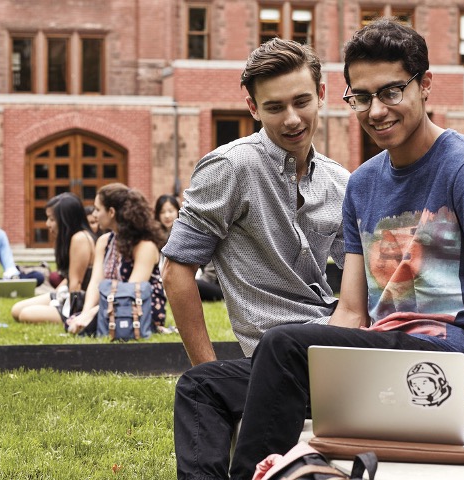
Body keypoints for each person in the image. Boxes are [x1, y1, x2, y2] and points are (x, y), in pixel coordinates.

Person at [223, 19, 464, 478]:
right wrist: (329, 376)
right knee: (202, 384)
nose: (376, 110)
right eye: (361, 97)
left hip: (445, 371)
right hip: (379, 365)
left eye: (391, 92)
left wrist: (454, 391)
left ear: (425, 86)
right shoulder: (363, 184)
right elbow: (349, 313)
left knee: (283, 343)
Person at [162, 38, 349, 479]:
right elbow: (176, 272)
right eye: (274, 107)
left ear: (322, 94)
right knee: (202, 383)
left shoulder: (342, 183)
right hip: (271, 363)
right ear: (252, 107)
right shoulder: (230, 168)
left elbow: (365, 281)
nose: (292, 119)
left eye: (302, 101)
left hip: (337, 353)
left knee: (198, 388)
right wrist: (210, 367)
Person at [66, 183, 170, 335]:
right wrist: (85, 314)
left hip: (138, 309)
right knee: (75, 322)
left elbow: (129, 292)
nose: (94, 215)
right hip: (107, 304)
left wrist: (91, 315)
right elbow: (96, 283)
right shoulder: (104, 241)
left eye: (97, 209)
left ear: (111, 212)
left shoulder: (145, 246)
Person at [11, 193, 94, 326]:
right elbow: (70, 277)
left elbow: (76, 284)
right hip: (66, 293)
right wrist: (55, 295)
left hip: (79, 302)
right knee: (16, 310)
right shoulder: (71, 239)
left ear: (66, 220)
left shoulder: (80, 239)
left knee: (26, 314)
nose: (47, 224)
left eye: (51, 219)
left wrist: (74, 316)